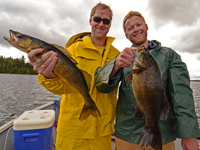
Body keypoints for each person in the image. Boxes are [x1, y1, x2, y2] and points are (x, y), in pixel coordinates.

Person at [95, 11, 200, 150]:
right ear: (126, 35)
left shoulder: (169, 56)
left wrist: (189, 134)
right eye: (130, 28)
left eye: (138, 25)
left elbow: (181, 95)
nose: (136, 29)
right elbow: (100, 84)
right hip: (127, 135)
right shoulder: (122, 57)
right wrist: (115, 66)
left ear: (146, 26)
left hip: (162, 135)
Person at [27, 2, 120, 150]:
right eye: (97, 19)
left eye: (106, 21)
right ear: (90, 20)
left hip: (102, 134)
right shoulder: (73, 50)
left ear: (110, 25)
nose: (101, 24)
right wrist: (49, 76)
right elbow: (61, 88)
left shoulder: (117, 55)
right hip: (72, 131)